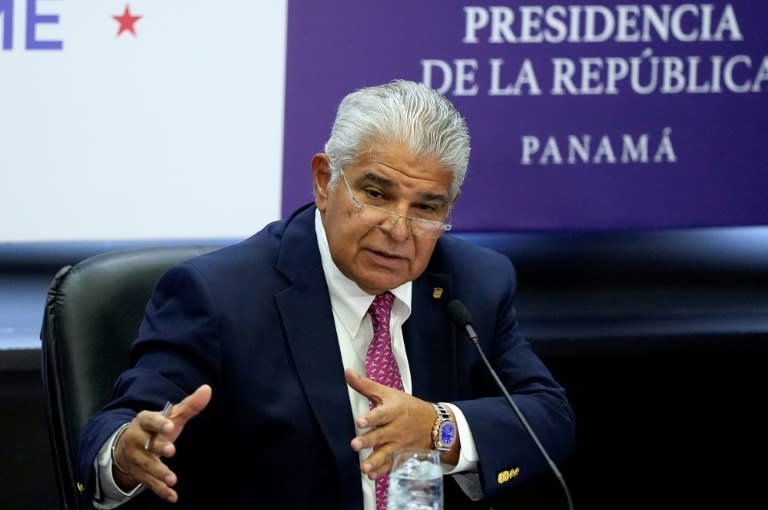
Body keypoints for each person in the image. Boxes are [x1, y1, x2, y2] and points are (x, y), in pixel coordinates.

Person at [78, 79, 575, 510]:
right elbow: (119, 427)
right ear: (324, 181)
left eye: (426, 208)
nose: (399, 229)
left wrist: (438, 429)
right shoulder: (218, 297)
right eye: (376, 195)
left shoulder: (474, 284)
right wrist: (126, 453)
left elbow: (548, 419)